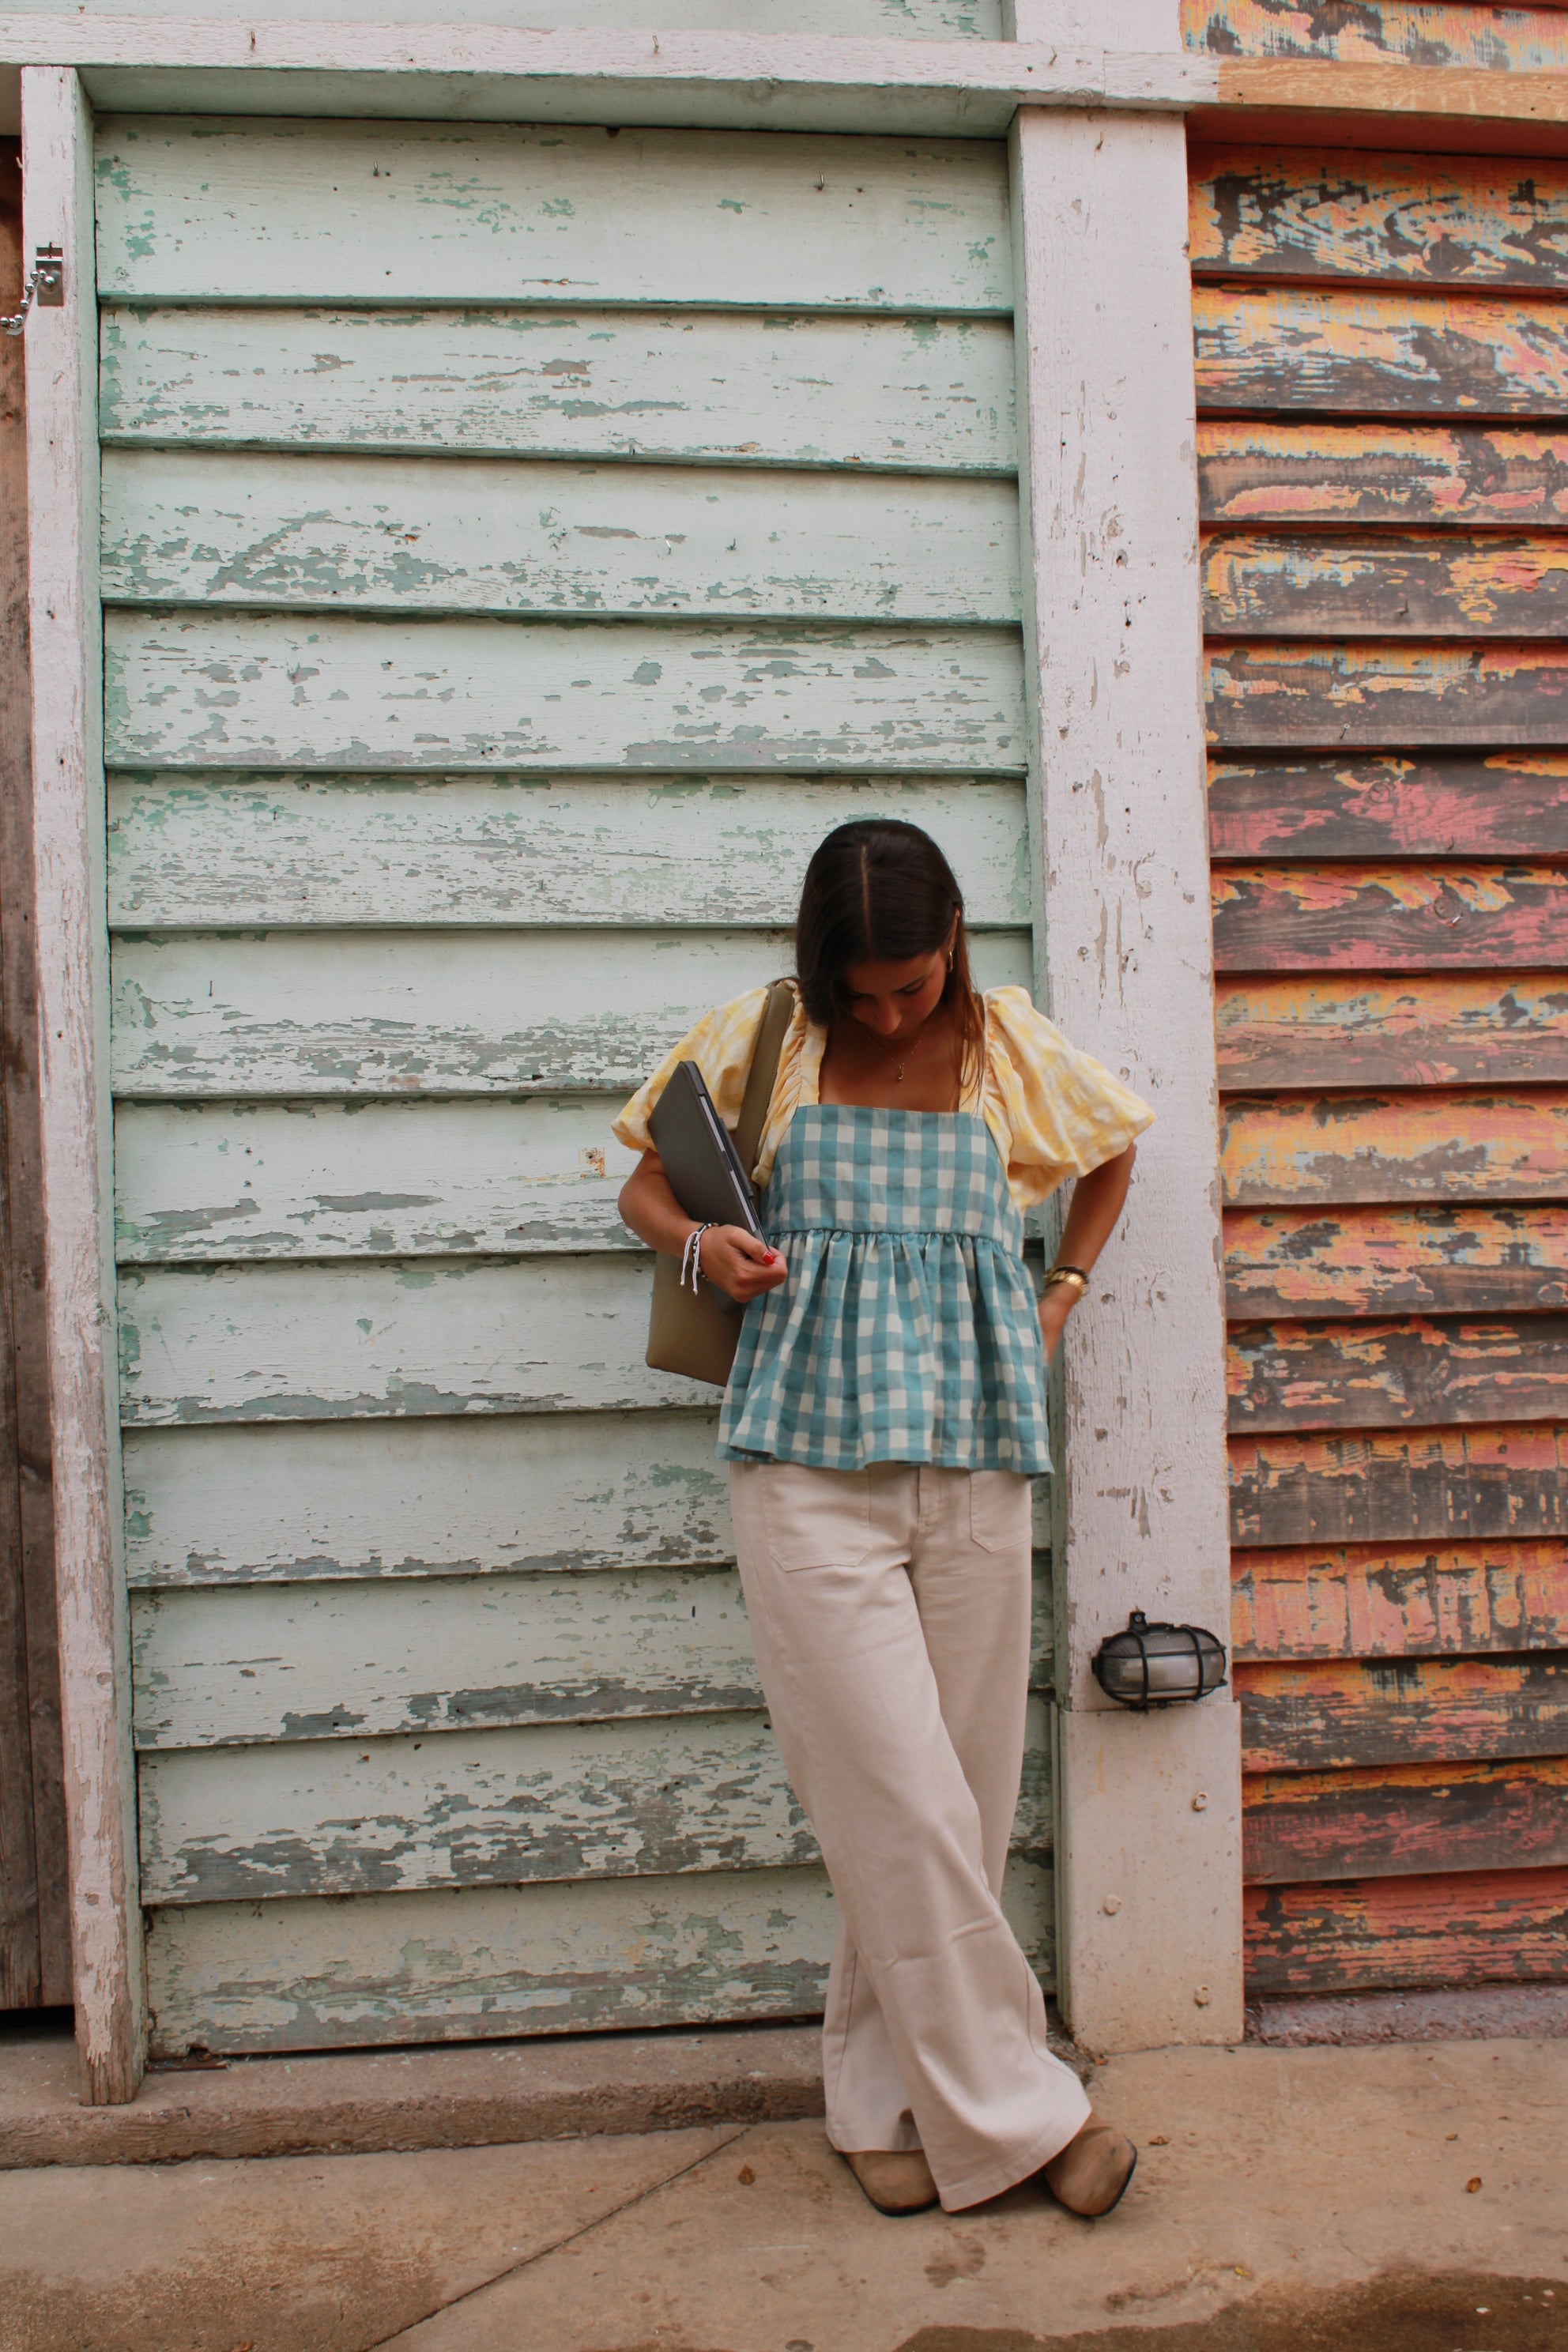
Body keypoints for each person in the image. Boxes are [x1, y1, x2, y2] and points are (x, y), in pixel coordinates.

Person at [614, 819, 1153, 2219]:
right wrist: (696, 1242)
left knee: (957, 1810)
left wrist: (1063, 1295)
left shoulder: (1007, 1047)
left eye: (910, 985)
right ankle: (1033, 2115)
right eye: (863, 990)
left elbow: (1113, 1153)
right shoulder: (767, 1038)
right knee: (895, 1795)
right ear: (822, 968)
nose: (888, 1011)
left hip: (972, 1458)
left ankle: (876, 2106)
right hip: (805, 1464)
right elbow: (639, 1175)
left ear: (954, 941)